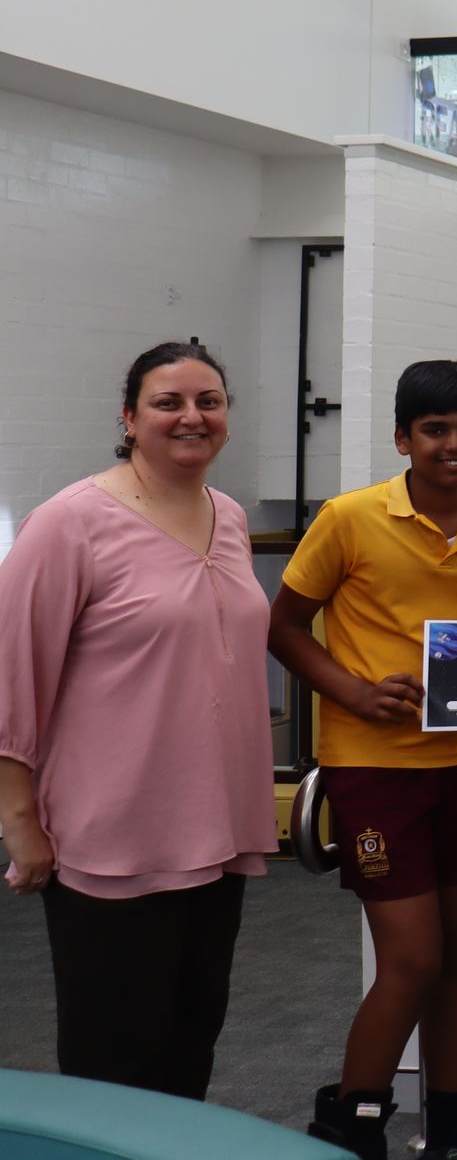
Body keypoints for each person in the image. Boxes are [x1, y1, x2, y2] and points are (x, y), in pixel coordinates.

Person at [268, 360, 457, 1160]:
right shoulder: (350, 518)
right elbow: (282, 628)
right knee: (413, 958)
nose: (455, 443)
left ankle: (445, 1137)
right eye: (434, 429)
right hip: (376, 768)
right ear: (402, 438)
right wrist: (354, 692)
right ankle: (351, 1132)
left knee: (456, 958)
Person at [0, 342, 272, 1101]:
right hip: (113, 838)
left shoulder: (229, 516)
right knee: (114, 1065)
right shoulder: (71, 522)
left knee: (190, 1045)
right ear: (128, 417)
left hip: (217, 835)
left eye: (209, 401)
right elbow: (11, 673)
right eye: (167, 402)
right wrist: (18, 819)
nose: (192, 416)